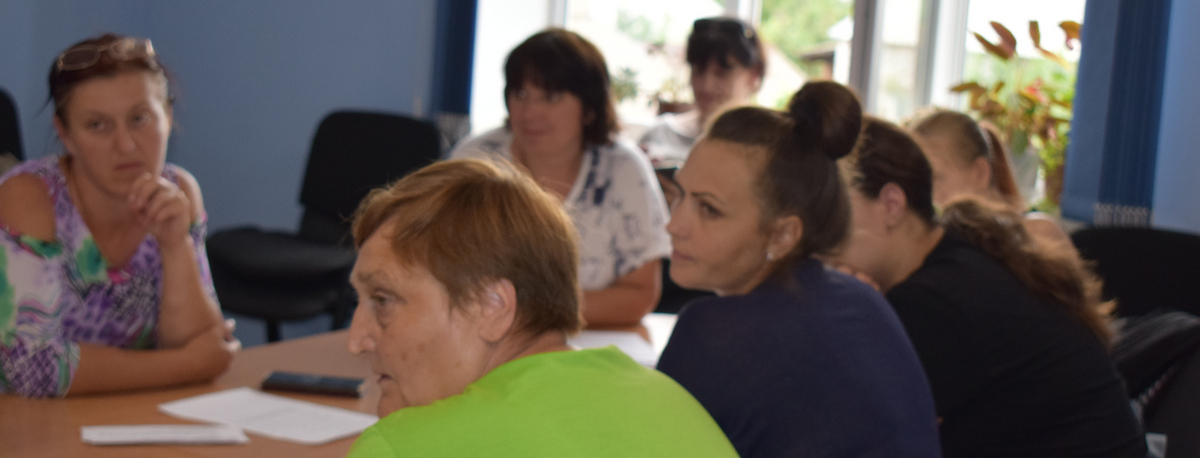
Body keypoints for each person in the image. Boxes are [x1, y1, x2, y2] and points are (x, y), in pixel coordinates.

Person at [342, 158, 738, 458]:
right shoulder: (670, 403)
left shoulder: (405, 447)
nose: (356, 340)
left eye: (383, 301)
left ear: (491, 306)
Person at [655, 81, 942, 457]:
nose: (674, 225)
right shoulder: (864, 302)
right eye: (679, 195)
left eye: (709, 209)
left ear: (783, 236)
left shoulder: (713, 333)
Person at [833, 117, 1147, 457]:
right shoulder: (962, 259)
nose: (820, 230)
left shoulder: (934, 303)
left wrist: (853, 311)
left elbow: (843, 431)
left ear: (892, 205)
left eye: (834, 209)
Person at [0, 34, 238, 398]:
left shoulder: (178, 191)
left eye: (140, 119)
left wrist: (174, 245)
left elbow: (202, 343)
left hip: (128, 411)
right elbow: (31, 368)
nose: (125, 145)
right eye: (97, 125)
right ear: (65, 134)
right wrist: (187, 365)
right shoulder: (29, 197)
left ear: (167, 117)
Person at [450, 29, 669, 332]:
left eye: (550, 98)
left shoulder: (624, 169)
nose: (530, 112)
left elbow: (639, 295)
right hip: (481, 338)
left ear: (589, 108)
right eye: (520, 94)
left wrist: (528, 313)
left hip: (590, 341)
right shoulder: (474, 160)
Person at [908, 109, 1071, 245]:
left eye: (935, 179)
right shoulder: (935, 242)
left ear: (980, 173)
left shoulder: (1037, 234)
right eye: (915, 182)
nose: (923, 194)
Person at [639, 16, 765, 166]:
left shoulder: (765, 149)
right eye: (698, 70)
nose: (706, 86)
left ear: (754, 74)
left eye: (722, 73)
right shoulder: (659, 134)